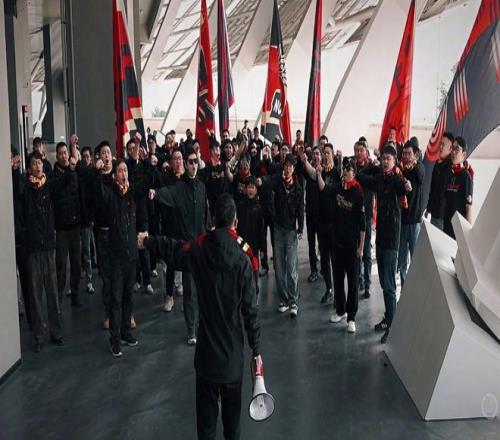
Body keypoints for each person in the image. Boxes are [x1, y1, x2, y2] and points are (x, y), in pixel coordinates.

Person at [139, 193, 260, 440]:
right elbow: (250, 312)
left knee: (205, 430)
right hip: (232, 360)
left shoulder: (199, 251)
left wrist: (148, 241)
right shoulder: (243, 261)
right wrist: (256, 349)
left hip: (206, 359)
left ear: (212, 220)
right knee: (232, 429)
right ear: (235, 222)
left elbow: (174, 249)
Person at [149, 148, 211, 345]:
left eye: (195, 161)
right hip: (187, 248)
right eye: (190, 161)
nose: (193, 165)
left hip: (202, 246)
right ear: (185, 164)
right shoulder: (179, 188)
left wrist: (209, 233)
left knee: (203, 290)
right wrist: (155, 193)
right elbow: (166, 193)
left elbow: (206, 214)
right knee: (189, 292)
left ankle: (202, 327)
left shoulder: (202, 187)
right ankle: (191, 330)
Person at [94, 158, 150, 357]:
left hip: (131, 256)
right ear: (114, 175)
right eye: (120, 170)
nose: (124, 173)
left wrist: (149, 164)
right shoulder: (111, 195)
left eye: (125, 170)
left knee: (128, 297)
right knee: (116, 300)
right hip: (116, 258)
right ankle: (115, 340)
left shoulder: (131, 194)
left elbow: (146, 184)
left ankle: (126, 332)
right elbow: (98, 191)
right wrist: (97, 173)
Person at [13, 151, 68, 352]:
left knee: (52, 292)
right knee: (35, 296)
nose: (38, 166)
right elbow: (16, 198)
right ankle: (38, 336)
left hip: (49, 246)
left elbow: (64, 184)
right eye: (34, 164)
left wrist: (71, 167)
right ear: (29, 169)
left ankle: (56, 332)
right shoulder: (25, 188)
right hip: (33, 248)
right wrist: (14, 169)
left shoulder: (48, 185)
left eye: (40, 163)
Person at [357, 144, 409, 343]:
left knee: (389, 286)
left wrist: (407, 185)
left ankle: (393, 326)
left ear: (395, 161)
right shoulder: (380, 179)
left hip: (392, 239)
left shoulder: (396, 180)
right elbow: (361, 176)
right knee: (383, 282)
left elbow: (405, 186)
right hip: (379, 238)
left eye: (389, 158)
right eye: (384, 158)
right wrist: (373, 165)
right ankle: (388, 318)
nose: (386, 161)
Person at [319, 157, 365, 333]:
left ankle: (351, 317)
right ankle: (341, 310)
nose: (345, 171)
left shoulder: (357, 192)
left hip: (352, 245)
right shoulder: (338, 188)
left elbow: (363, 224)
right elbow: (324, 189)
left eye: (348, 169)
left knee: (352, 283)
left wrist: (361, 247)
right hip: (337, 243)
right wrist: (318, 173)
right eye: (344, 168)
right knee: (338, 280)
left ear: (354, 172)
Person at [259, 153, 304, 317]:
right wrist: (263, 180)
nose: (288, 169)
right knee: (279, 268)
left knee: (291, 268)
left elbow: (300, 209)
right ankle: (284, 299)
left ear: (294, 168)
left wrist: (300, 227)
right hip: (278, 229)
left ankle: (293, 301)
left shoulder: (298, 188)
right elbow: (267, 185)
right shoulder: (278, 182)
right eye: (285, 166)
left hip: (291, 231)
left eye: (290, 166)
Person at [300, 144, 341, 304]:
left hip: (334, 222)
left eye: (328, 153)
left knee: (335, 260)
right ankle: (329, 289)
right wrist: (305, 161)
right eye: (324, 153)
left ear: (332, 154)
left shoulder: (337, 172)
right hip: (321, 221)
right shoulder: (319, 171)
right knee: (324, 260)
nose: (325, 155)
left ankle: (338, 292)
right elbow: (311, 172)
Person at [52, 142, 83, 307]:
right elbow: (57, 189)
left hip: (75, 225)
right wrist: (69, 171)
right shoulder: (54, 174)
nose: (64, 156)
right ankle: (58, 297)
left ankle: (75, 293)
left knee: (77, 263)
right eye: (61, 153)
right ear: (57, 156)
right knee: (61, 265)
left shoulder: (75, 171)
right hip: (62, 228)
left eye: (66, 152)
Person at [398, 138, 425, 288]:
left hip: (414, 224)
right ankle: (404, 289)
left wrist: (415, 163)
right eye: (404, 153)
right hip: (402, 223)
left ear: (415, 155)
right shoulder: (401, 171)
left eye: (409, 154)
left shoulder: (419, 169)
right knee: (402, 260)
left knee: (416, 259)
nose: (406, 156)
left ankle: (416, 289)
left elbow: (421, 174)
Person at [236, 176, 265, 301]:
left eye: (253, 187)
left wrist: (263, 249)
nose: (251, 190)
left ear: (256, 190)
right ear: (245, 189)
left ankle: (255, 294)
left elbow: (261, 230)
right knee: (242, 269)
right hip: (242, 244)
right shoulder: (240, 205)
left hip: (254, 246)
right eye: (249, 187)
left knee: (254, 270)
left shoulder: (259, 208)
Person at [354, 138, 374, 298]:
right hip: (354, 216)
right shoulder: (351, 167)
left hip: (366, 216)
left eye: (361, 150)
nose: (359, 153)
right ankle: (359, 278)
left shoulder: (371, 168)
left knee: (366, 251)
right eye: (357, 150)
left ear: (366, 151)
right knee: (356, 250)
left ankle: (367, 284)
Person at [443, 136, 473, 239]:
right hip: (446, 226)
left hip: (458, 229)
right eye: (452, 148)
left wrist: (468, 235)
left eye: (457, 149)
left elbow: (468, 206)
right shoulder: (449, 173)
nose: (453, 152)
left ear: (463, 154)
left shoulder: (466, 177)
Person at [424, 132, 454, 230]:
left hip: (444, 215)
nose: (440, 147)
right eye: (440, 144)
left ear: (450, 149)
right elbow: (433, 188)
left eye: (443, 145)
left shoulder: (451, 167)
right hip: (434, 212)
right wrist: (428, 208)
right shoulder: (437, 164)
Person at [79, 146, 96, 294]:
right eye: (83, 156)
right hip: (82, 217)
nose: (85, 159)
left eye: (87, 156)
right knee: (86, 250)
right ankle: (88, 279)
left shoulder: (94, 173)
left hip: (92, 217)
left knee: (91, 249)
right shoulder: (80, 173)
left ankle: (91, 279)